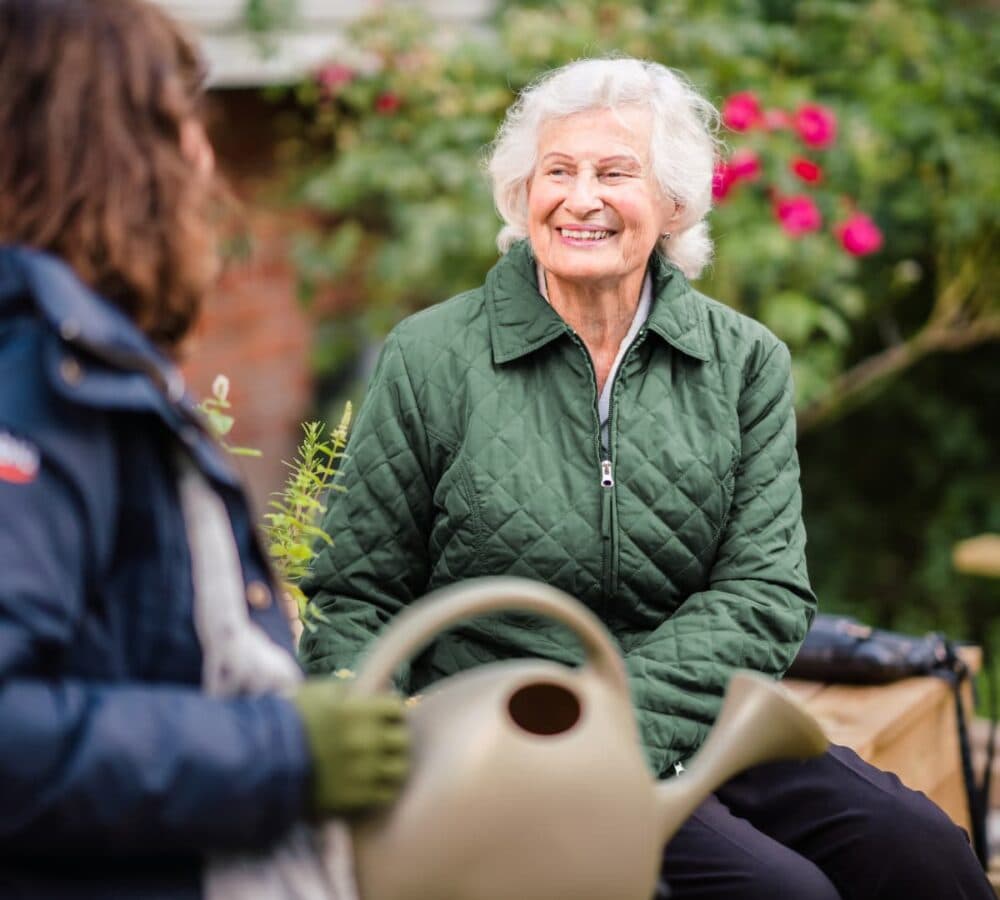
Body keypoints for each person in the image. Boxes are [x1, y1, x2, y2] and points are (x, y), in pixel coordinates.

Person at [299, 57, 993, 899]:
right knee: (779, 893)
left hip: (695, 718)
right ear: (523, 196)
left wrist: (619, 718)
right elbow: (358, 592)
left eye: (613, 172)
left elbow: (764, 591)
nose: (580, 198)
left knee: (925, 852)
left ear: (674, 204)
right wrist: (375, 746)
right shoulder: (432, 356)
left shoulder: (742, 362)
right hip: (508, 746)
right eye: (557, 171)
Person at [0, 1, 407, 897]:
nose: (205, 160)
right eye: (181, 120)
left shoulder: (80, 362)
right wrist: (285, 751)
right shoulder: (34, 382)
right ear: (107, 143)